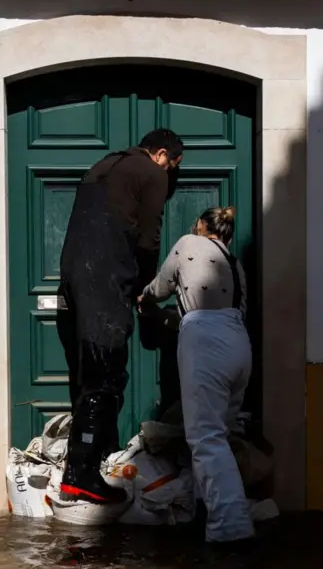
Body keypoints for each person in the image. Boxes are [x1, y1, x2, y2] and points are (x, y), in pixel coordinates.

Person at [56, 129, 185, 505]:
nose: (171, 174)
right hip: (106, 280)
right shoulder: (152, 172)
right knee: (105, 377)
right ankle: (80, 476)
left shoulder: (103, 165)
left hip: (74, 280)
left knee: (85, 376)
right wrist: (145, 290)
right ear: (162, 154)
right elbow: (148, 239)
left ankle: (96, 461)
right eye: (174, 165)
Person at [138, 206, 254, 543]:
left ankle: (231, 527)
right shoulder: (235, 265)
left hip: (206, 344)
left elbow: (160, 288)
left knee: (206, 439)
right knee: (221, 435)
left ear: (203, 225)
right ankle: (204, 509)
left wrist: (143, 298)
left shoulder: (189, 243)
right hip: (238, 344)